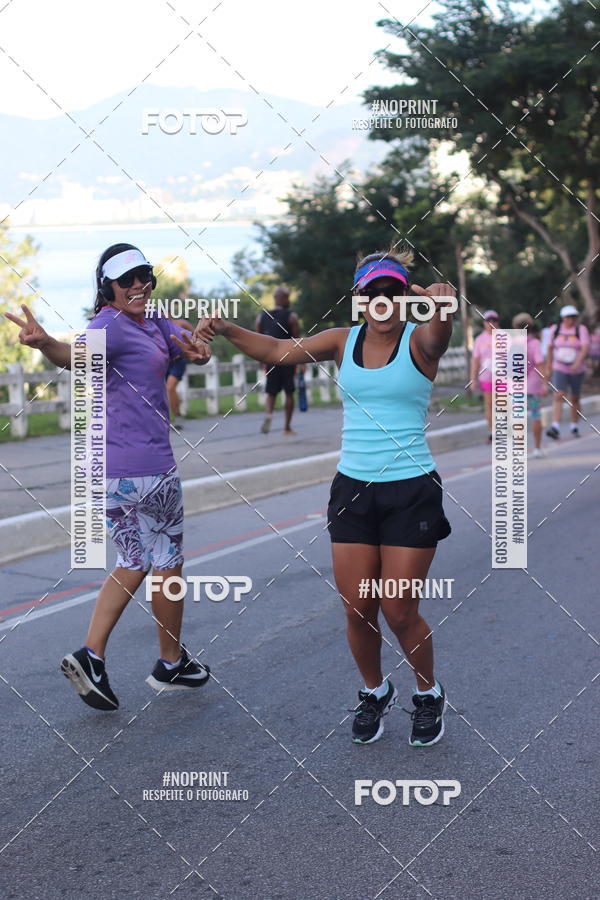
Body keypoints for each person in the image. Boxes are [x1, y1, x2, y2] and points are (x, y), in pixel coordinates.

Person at [193, 249, 454, 747]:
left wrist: (441, 308)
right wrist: (227, 330)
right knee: (358, 608)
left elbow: (439, 335)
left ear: (404, 297)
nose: (382, 301)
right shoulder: (341, 341)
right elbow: (276, 352)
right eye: (372, 293)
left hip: (411, 489)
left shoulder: (420, 341)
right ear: (359, 299)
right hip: (353, 489)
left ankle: (428, 693)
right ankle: (375, 691)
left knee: (398, 610)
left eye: (392, 292)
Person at [6, 243, 212, 711]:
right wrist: (45, 345)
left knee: (134, 559)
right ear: (107, 289)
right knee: (168, 562)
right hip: (147, 470)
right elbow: (75, 356)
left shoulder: (149, 319)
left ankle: (92, 654)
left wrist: (197, 346)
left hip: (110, 474)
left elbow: (184, 343)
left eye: (144, 275)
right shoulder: (109, 326)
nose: (138, 284)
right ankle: (170, 662)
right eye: (126, 280)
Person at [256, 286, 301, 435]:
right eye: (287, 298)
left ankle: (269, 414)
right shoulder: (291, 316)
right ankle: (287, 427)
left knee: (271, 391)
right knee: (289, 392)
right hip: (288, 359)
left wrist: (261, 359)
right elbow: (297, 341)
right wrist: (301, 362)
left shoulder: (262, 316)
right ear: (283, 299)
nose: (288, 301)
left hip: (271, 359)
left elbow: (258, 339)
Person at [545, 305, 590, 440]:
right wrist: (548, 367)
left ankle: (574, 424)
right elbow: (549, 348)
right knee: (559, 394)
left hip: (576, 368)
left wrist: (578, 362)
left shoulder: (580, 329)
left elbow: (585, 348)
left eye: (573, 317)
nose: (571, 320)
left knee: (574, 397)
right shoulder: (555, 329)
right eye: (568, 317)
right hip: (560, 366)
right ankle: (555, 426)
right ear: (563, 318)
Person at [512, 313, 547, 458]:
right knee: (536, 415)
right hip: (533, 385)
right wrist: (544, 383)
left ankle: (519, 450)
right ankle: (537, 448)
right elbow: (540, 364)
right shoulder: (535, 343)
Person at [470, 310, 499, 443]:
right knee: (489, 404)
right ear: (484, 323)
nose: (491, 323)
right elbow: (475, 360)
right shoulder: (480, 339)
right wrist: (473, 380)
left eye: (494, 320)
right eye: (488, 321)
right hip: (486, 377)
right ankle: (492, 432)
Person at [166, 317, 193, 429]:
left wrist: (190, 351)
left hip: (179, 361)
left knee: (170, 387)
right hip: (165, 361)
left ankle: (178, 417)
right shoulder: (156, 326)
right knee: (164, 391)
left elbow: (196, 337)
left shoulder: (182, 323)